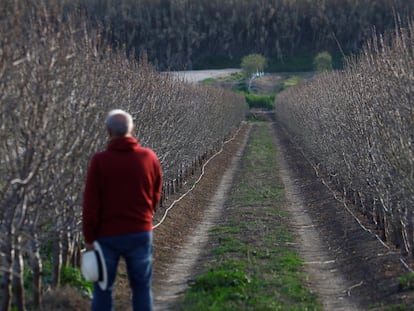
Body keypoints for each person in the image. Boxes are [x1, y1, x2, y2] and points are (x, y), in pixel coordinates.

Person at [82, 109, 162, 311]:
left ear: (108, 132)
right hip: (139, 231)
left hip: (106, 236)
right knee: (142, 287)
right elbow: (156, 193)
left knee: (103, 288)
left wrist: (89, 237)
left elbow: (91, 203)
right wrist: (146, 214)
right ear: (132, 130)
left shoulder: (100, 161)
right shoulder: (149, 158)